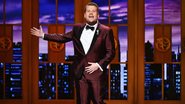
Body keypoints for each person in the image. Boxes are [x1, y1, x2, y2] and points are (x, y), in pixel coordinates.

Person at [31, 2, 115, 104]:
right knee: (82, 102)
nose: (91, 13)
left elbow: (110, 52)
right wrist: (43, 35)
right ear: (84, 15)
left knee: (98, 101)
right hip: (80, 73)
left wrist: (98, 65)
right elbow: (62, 37)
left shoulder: (106, 31)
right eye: (88, 11)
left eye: (93, 11)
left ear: (98, 15)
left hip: (96, 74)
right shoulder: (77, 28)